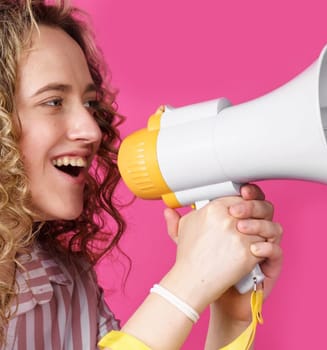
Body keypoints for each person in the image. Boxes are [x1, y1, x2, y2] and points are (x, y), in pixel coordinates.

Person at [0, 0, 284, 348]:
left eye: (90, 104)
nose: (91, 129)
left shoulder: (67, 284)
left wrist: (229, 316)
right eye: (54, 102)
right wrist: (186, 284)